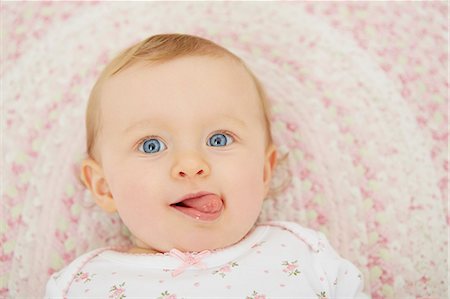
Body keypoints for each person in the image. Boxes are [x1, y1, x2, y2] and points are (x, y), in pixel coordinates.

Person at [45, 33, 368, 298]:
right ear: (104, 187)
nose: (191, 165)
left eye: (219, 140)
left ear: (264, 171)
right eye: (151, 145)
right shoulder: (83, 284)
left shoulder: (302, 254)